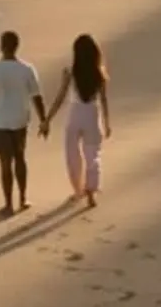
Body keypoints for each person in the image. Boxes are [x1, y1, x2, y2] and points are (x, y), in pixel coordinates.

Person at [0, 30, 48, 217]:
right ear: (17, 46)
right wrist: (43, 119)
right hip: (19, 120)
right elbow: (37, 96)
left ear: (1, 46)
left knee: (5, 163)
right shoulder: (27, 69)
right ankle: (22, 199)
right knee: (20, 158)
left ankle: (8, 205)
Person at [43, 34, 111, 207]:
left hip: (75, 115)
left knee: (72, 155)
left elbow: (59, 97)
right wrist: (107, 122)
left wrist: (47, 119)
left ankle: (77, 190)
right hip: (92, 115)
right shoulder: (99, 73)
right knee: (92, 155)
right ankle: (91, 193)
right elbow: (103, 100)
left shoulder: (70, 72)